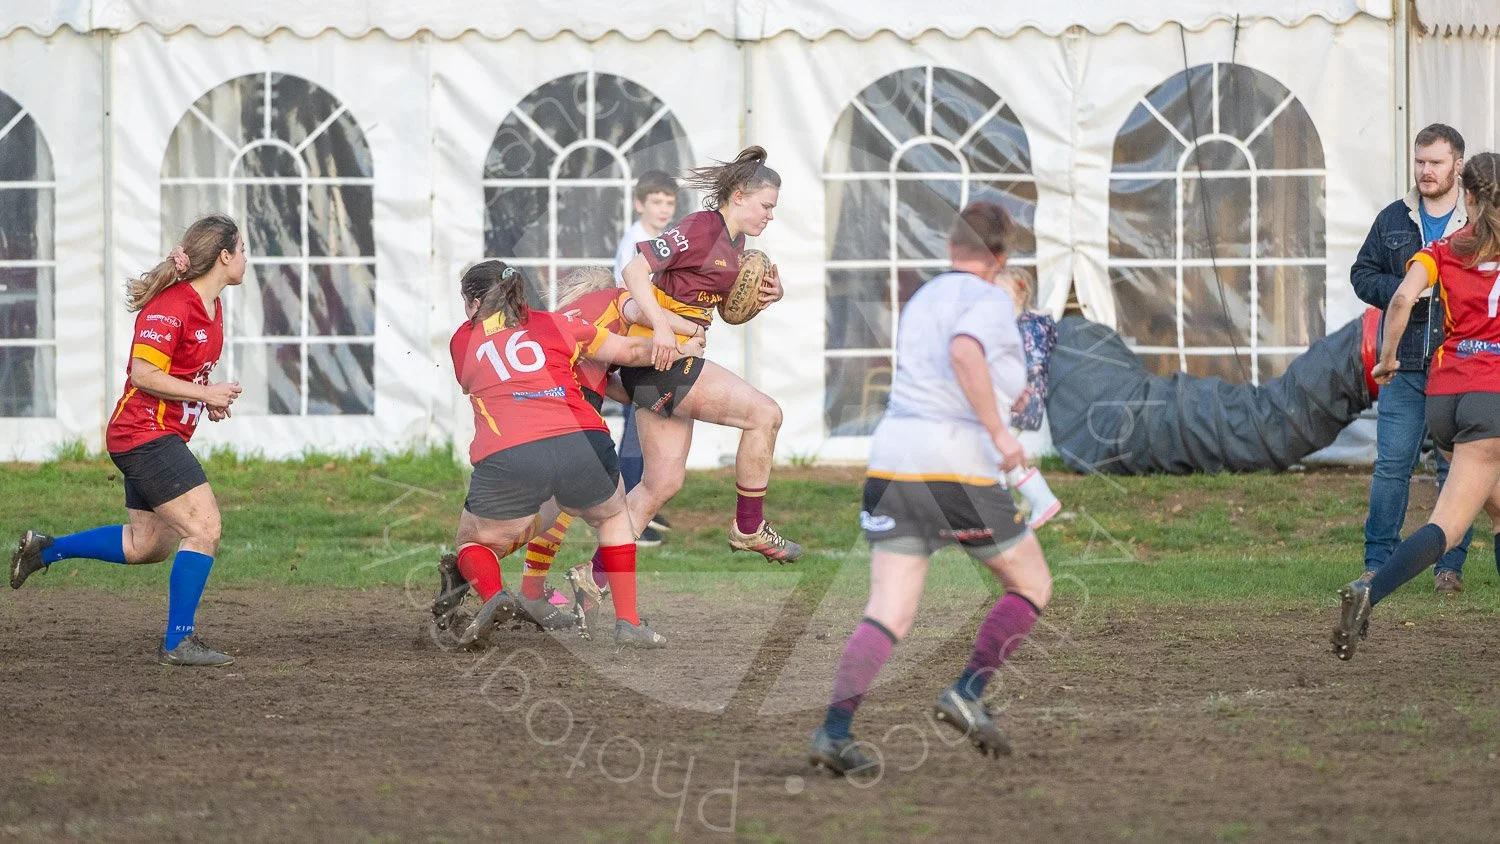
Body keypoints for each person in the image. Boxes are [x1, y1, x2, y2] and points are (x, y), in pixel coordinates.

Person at [807, 202, 1055, 776]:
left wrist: (1002, 395)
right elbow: (965, 351)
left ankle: (834, 732)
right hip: (955, 467)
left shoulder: (922, 299)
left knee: (888, 611)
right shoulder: (991, 298)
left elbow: (955, 365)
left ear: (949, 249)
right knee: (1032, 583)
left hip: (893, 462)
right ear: (1002, 257)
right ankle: (967, 691)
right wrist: (999, 430)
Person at [10, 214, 246, 667]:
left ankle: (45, 549)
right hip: (142, 435)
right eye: (242, 250)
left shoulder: (212, 308)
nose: (246, 259)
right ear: (223, 257)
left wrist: (207, 401)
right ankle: (179, 642)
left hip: (157, 435)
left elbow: (181, 373)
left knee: (148, 545)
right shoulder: (171, 307)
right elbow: (143, 373)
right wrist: (204, 392)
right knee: (204, 528)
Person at [449, 260, 699, 649]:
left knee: (473, 542)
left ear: (476, 303)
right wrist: (684, 345)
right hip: (582, 440)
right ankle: (628, 621)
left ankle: (495, 593)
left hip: (511, 450)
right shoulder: (556, 324)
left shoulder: (463, 340)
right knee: (615, 517)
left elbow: (474, 377)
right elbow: (631, 350)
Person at [1334, 151, 1500, 660]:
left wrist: (1386, 361)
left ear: (1466, 196)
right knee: (1447, 525)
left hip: (1444, 397)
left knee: (1497, 511)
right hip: (1490, 398)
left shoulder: (1443, 249)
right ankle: (1369, 591)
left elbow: (1402, 300)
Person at [614, 146, 798, 567]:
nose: (770, 215)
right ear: (738, 197)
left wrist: (768, 296)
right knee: (764, 415)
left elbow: (722, 308)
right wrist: (662, 326)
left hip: (662, 365)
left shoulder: (738, 242)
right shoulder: (700, 227)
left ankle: (589, 586)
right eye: (766, 205)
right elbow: (633, 271)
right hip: (659, 359)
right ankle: (749, 528)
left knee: (657, 488)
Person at [1351, 124, 1473, 593]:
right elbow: (1361, 274)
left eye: (1436, 162)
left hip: (1458, 365)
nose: (1425, 170)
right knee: (1391, 466)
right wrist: (1406, 291)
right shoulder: (1392, 219)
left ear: (1457, 166)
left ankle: (1449, 568)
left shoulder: (1478, 222)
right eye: (1420, 161)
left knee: (1454, 470)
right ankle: (1376, 563)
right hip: (1400, 365)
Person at [614, 171, 682, 548]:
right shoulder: (637, 245)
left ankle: (644, 505)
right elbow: (634, 299)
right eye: (656, 202)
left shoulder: (657, 241)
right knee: (637, 431)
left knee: (649, 426)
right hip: (637, 346)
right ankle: (629, 512)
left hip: (653, 343)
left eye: (669, 202)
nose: (663, 209)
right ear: (640, 204)